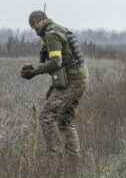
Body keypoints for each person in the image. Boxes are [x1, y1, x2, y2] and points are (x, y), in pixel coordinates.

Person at [20, 10, 88, 157]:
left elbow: (55, 62)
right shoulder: (59, 29)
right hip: (78, 78)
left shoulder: (51, 35)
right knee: (64, 120)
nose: (35, 30)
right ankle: (73, 161)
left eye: (34, 26)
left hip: (72, 81)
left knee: (46, 117)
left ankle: (55, 160)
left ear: (40, 21)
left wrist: (34, 72)